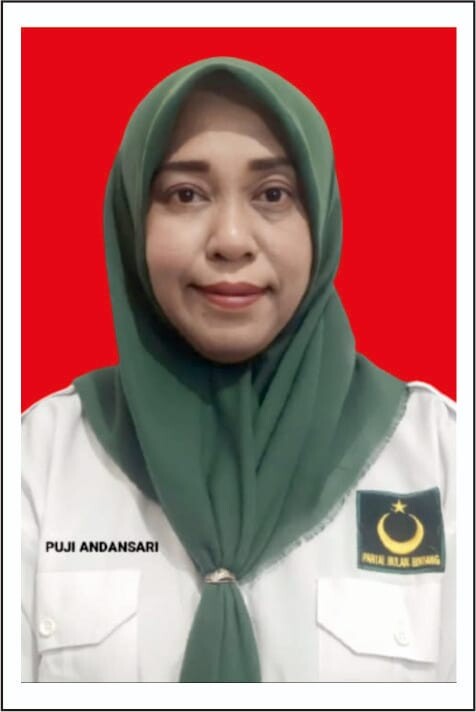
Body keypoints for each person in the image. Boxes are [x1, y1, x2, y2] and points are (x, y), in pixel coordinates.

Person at [21, 57, 455, 683]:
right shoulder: (38, 460)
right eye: (186, 194)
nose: (230, 239)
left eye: (273, 194)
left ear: (321, 220)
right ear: (133, 221)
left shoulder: (441, 457)